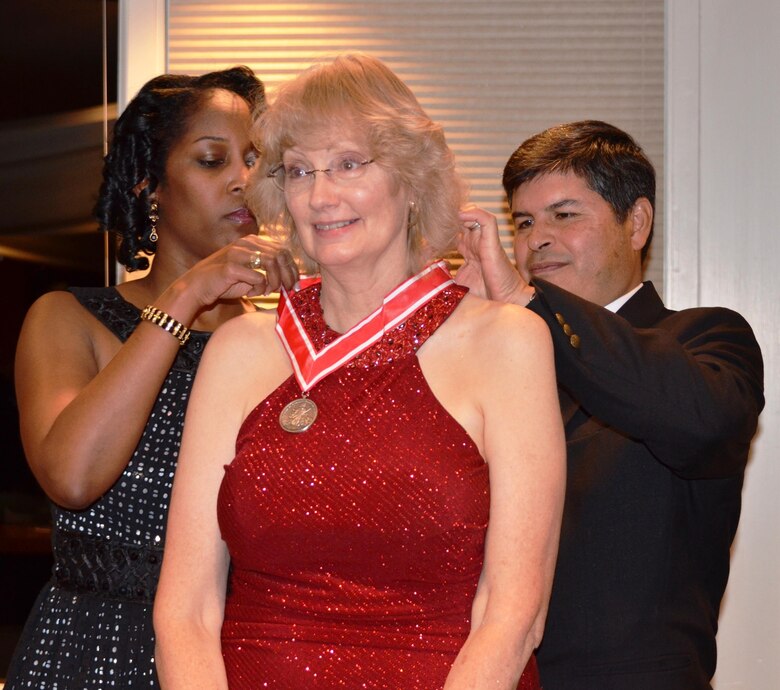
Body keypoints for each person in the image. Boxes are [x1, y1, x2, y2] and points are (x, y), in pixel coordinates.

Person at [153, 53, 566, 690]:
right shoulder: (237, 349)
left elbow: (513, 614)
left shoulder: (507, 343)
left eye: (349, 163)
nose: (321, 195)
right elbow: (186, 610)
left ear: (411, 178)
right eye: (298, 171)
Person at [6, 66, 296, 689]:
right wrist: (186, 296)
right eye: (212, 160)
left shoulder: (275, 346)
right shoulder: (69, 316)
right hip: (92, 646)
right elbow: (72, 475)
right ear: (150, 184)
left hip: (231, 650)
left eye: (253, 161)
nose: (242, 181)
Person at [456, 120, 765, 690]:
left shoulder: (704, 340)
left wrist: (528, 303)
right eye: (523, 222)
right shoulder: (493, 360)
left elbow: (703, 422)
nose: (535, 239)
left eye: (564, 215)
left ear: (637, 222)